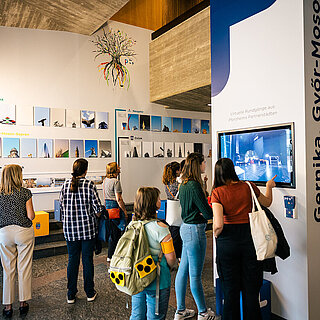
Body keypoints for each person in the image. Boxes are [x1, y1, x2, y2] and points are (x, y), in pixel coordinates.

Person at [211, 158, 276, 320]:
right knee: (251, 291)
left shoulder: (217, 193)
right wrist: (269, 187)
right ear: (232, 170)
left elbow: (218, 225)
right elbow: (267, 202)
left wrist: (216, 233)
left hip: (227, 244)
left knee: (230, 291)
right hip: (251, 241)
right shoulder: (249, 186)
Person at [174, 153, 215, 320]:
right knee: (196, 275)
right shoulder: (194, 186)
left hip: (186, 228)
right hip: (195, 231)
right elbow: (207, 213)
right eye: (204, 162)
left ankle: (180, 310)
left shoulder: (183, 184)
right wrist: (208, 209)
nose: (205, 164)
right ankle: (203, 312)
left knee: (183, 271)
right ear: (198, 165)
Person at [60, 159, 104, 304]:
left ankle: (70, 294)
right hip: (87, 231)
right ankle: (90, 293)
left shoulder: (65, 184)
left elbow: (61, 209)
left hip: (70, 231)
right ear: (86, 170)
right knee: (87, 261)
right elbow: (98, 210)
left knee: (72, 261)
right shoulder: (89, 185)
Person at [130, 187, 177, 320]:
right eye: (158, 198)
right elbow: (171, 258)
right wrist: (174, 265)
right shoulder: (162, 229)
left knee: (136, 315)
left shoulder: (132, 225)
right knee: (156, 317)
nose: (160, 200)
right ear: (152, 203)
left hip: (137, 279)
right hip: (158, 281)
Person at [0, 164, 35, 318]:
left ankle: (7, 307)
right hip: (23, 232)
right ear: (17, 176)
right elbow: (31, 216)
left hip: (4, 233)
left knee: (7, 270)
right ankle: (23, 303)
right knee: (24, 268)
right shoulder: (25, 192)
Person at [103, 162, 128, 261]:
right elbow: (119, 199)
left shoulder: (105, 180)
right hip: (115, 208)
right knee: (117, 233)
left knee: (112, 233)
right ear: (114, 170)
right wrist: (124, 211)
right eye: (118, 167)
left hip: (107, 208)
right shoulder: (116, 182)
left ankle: (110, 255)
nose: (119, 168)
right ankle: (114, 255)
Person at [162, 161, 182, 258]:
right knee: (178, 238)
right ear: (177, 171)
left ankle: (173, 256)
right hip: (178, 213)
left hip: (171, 214)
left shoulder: (167, 183)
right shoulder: (177, 184)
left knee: (173, 235)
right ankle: (178, 257)